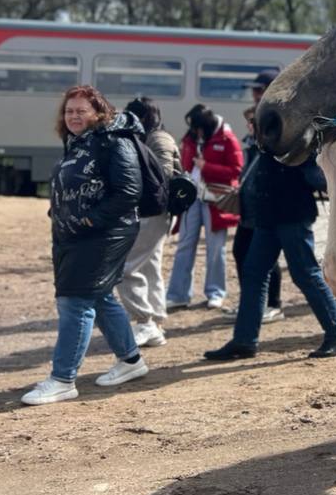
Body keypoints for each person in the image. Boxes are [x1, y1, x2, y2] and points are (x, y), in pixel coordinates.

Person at [22, 86, 149, 405]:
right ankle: (131, 361)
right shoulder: (78, 142)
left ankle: (63, 379)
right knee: (100, 296)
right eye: (69, 111)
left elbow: (129, 191)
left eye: (81, 110)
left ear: (99, 112)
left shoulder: (114, 140)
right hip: (74, 234)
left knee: (75, 300)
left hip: (105, 233)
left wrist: (89, 220)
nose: (73, 116)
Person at [203, 148, 336, 361]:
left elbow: (317, 178)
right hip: (268, 218)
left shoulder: (296, 140)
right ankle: (244, 340)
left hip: (292, 216)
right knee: (254, 273)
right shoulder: (268, 141)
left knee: (305, 274)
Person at [116, 97, 180, 348]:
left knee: (126, 267)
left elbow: (163, 175)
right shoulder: (152, 136)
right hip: (153, 211)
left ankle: (144, 320)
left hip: (154, 211)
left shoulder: (158, 139)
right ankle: (155, 322)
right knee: (150, 266)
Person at [166, 103, 242, 310]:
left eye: (198, 128)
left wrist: (207, 167)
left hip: (215, 199)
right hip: (192, 197)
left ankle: (215, 292)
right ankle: (178, 294)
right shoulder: (191, 138)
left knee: (215, 248)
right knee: (184, 245)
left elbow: (236, 169)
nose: (195, 131)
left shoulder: (227, 138)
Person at [229, 71, 283, 323]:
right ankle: (250, 302)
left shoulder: (278, 120)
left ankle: (273, 304)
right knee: (241, 252)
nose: (255, 95)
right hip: (249, 205)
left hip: (269, 205)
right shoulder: (254, 118)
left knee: (268, 258)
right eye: (254, 91)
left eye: (259, 90)